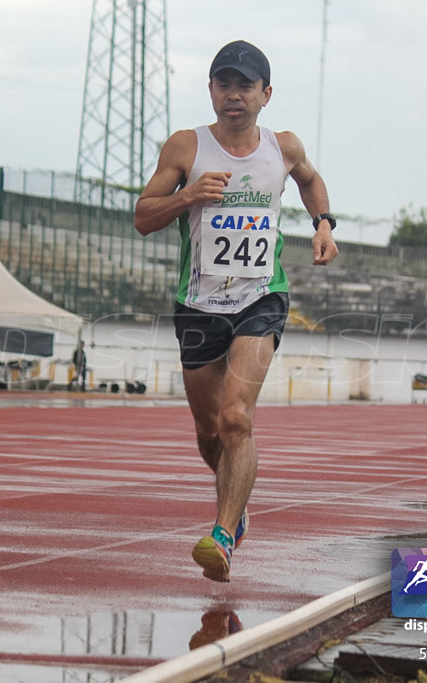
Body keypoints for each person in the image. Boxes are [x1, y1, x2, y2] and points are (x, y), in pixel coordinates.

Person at [134, 40, 338, 582]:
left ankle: (223, 534)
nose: (234, 95)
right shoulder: (186, 147)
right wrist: (188, 196)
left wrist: (323, 223)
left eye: (246, 85)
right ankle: (236, 499)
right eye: (224, 84)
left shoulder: (283, 146)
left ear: (265, 94)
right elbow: (143, 216)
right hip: (199, 303)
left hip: (260, 297)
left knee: (236, 417)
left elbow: (310, 181)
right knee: (208, 430)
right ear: (211, 91)